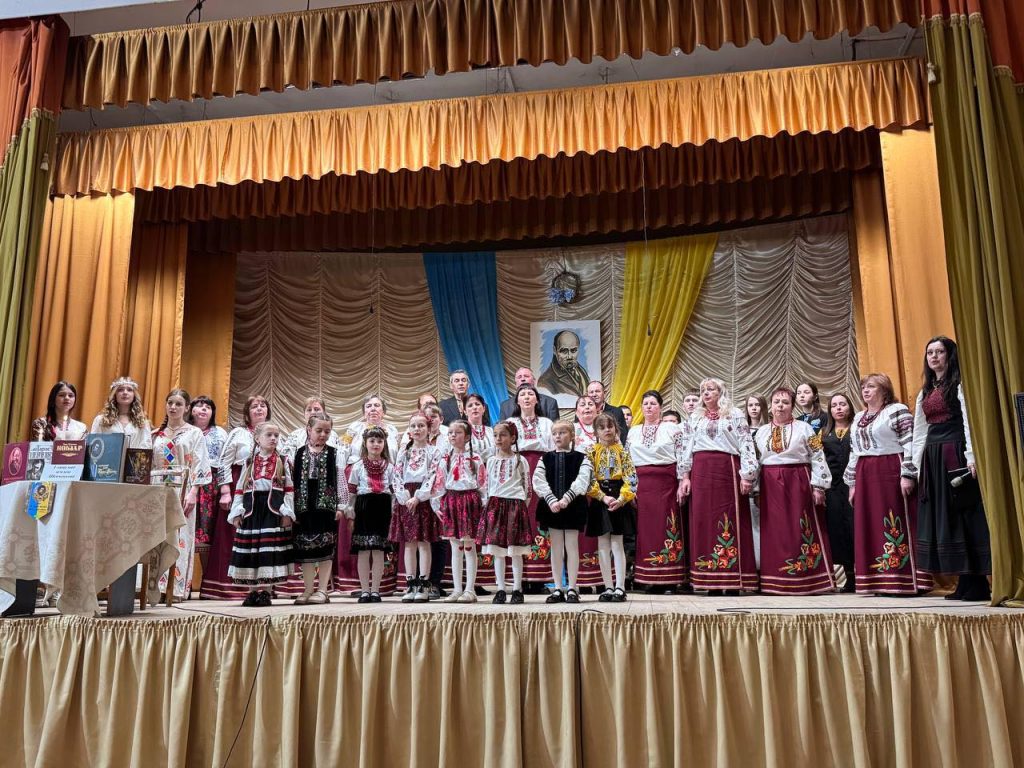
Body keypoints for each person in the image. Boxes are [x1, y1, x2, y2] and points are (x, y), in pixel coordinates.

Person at [913, 336, 990, 601]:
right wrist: (917, 466)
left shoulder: (959, 385)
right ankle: (964, 581)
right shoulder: (925, 391)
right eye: (930, 352)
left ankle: (978, 583)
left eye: (940, 352)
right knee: (946, 517)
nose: (934, 357)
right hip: (933, 458)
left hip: (955, 453)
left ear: (950, 355)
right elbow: (920, 431)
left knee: (965, 514)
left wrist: (971, 456)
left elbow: (969, 421)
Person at [845, 373, 933, 596]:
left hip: (890, 468)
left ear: (884, 390)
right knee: (871, 523)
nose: (865, 391)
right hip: (865, 473)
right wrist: (852, 482)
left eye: (871, 386)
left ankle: (905, 580)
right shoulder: (859, 417)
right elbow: (854, 450)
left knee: (894, 520)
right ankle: (878, 581)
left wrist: (908, 473)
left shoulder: (897, 411)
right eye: (863, 387)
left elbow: (910, 441)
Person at [679, 378, 759, 594]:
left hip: (727, 469)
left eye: (710, 389)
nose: (706, 393)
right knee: (704, 521)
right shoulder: (695, 417)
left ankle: (732, 579)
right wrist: (685, 476)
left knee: (730, 519)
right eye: (703, 390)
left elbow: (746, 444)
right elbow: (686, 446)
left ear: (720, 392)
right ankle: (709, 579)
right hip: (701, 471)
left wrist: (747, 475)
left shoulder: (735, 414)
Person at [753, 387, 835, 595]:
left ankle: (809, 579)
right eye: (776, 402)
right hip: (770, 484)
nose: (780, 406)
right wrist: (756, 489)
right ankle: (775, 581)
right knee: (774, 530)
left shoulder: (805, 428)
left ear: (792, 406)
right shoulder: (761, 432)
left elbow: (817, 455)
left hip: (799, 480)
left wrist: (819, 485)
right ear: (770, 406)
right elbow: (755, 462)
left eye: (785, 402)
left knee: (801, 527)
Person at [200, 394, 270, 600]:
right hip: (240, 485)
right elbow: (224, 461)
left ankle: (262, 586)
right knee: (235, 535)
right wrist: (225, 491)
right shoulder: (238, 433)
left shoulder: (273, 433)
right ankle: (231, 587)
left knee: (262, 537)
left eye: (262, 405)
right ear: (247, 413)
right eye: (254, 406)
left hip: (264, 490)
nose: (259, 409)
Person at [150, 388, 213, 601]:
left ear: (187, 408)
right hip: (157, 489)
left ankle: (175, 589)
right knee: (156, 537)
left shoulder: (193, 433)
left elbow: (200, 463)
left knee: (180, 538)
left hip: (183, 489)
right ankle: (153, 588)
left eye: (178, 404)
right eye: (170, 403)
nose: (173, 407)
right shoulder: (155, 434)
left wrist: (194, 492)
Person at [337, 395, 400, 595]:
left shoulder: (390, 459)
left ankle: (376, 590)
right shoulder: (354, 434)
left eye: (377, 406)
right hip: (363, 506)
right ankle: (364, 590)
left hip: (382, 506)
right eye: (369, 406)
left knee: (380, 550)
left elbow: (393, 490)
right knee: (363, 550)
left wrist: (393, 510)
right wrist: (350, 513)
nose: (375, 444)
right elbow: (351, 492)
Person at [227, 422, 294, 606]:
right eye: (269, 435)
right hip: (252, 510)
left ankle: (266, 591)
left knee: (268, 551)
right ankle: (252, 591)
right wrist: (237, 512)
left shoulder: (283, 460)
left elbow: (289, 489)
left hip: (272, 510)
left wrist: (287, 512)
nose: (273, 439)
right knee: (252, 551)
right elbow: (240, 488)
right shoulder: (249, 462)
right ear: (257, 439)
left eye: (276, 436)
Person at [627, 390, 687, 591]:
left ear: (660, 407)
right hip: (642, 486)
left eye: (653, 403)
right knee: (646, 530)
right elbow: (627, 462)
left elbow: (682, 455)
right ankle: (649, 578)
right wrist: (631, 488)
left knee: (668, 526)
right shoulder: (634, 431)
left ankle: (670, 577)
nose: (649, 407)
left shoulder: (671, 428)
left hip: (666, 484)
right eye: (645, 404)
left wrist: (682, 481)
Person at [533, 421, 593, 604]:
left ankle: (572, 588)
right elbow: (538, 480)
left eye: (562, 432)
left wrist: (567, 498)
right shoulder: (545, 458)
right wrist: (551, 499)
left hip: (573, 506)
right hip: (552, 507)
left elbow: (583, 480)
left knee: (572, 546)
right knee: (556, 547)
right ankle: (558, 588)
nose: (558, 436)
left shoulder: (582, 458)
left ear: (572, 435)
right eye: (555, 433)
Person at [291, 412, 345, 605]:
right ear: (309, 429)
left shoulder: (335, 453)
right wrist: (291, 508)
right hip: (303, 506)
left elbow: (340, 480)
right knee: (305, 548)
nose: (323, 435)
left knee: (325, 547)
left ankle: (322, 590)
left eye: (327, 431)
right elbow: (292, 481)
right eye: (319, 430)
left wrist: (341, 505)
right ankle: (307, 589)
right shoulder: (298, 452)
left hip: (326, 506)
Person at [505, 384, 555, 587]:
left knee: (538, 518)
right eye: (522, 394)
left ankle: (539, 578)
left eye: (530, 394)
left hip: (541, 469)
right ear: (517, 401)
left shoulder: (546, 423)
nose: (526, 397)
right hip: (517, 470)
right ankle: (518, 579)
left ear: (537, 400)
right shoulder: (510, 423)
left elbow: (552, 449)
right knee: (518, 517)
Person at [391, 413, 444, 603]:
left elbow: (433, 475)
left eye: (421, 425)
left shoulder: (434, 452)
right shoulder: (404, 452)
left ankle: (423, 583)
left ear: (429, 429)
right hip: (406, 498)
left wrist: (419, 497)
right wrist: (404, 497)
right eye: (413, 426)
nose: (417, 429)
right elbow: (396, 476)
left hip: (423, 498)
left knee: (423, 541)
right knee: (409, 543)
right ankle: (411, 583)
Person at [479, 421, 532, 604]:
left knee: (515, 551)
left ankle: (517, 589)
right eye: (495, 435)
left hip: (515, 506)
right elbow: (486, 486)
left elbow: (527, 487)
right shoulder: (491, 461)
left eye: (502, 435)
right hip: (495, 506)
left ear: (513, 438)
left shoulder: (520, 460)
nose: (498, 439)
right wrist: (488, 505)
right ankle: (500, 589)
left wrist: (521, 506)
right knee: (498, 551)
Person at [587, 413, 638, 602]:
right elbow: (588, 478)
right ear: (596, 432)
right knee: (602, 544)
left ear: (616, 428)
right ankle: (608, 586)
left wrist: (622, 498)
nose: (607, 430)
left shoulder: (623, 451)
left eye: (610, 426)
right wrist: (601, 496)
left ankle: (620, 587)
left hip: (618, 497)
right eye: (602, 427)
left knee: (617, 543)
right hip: (601, 498)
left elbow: (631, 477)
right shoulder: (591, 452)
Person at [437, 421, 486, 603]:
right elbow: (439, 483)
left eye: (457, 432)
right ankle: (457, 589)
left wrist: (484, 503)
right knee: (455, 547)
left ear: (467, 437)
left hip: (470, 501)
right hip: (451, 501)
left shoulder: (475, 459)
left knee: (469, 545)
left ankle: (470, 589)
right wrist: (437, 505)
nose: (453, 435)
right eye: (450, 432)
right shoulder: (445, 459)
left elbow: (483, 483)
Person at [187, 395, 229, 577]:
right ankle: (181, 582)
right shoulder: (185, 430)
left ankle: (207, 579)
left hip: (212, 487)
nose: (204, 409)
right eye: (199, 405)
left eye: (208, 407)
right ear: (191, 410)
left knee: (208, 534)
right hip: (188, 482)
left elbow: (225, 461)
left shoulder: (220, 433)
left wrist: (224, 488)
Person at [822, 393, 856, 592]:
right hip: (833, 489)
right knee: (838, 531)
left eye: (842, 404)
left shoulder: (858, 428)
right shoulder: (822, 433)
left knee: (855, 529)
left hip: (854, 486)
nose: (839, 408)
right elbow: (815, 457)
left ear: (849, 407)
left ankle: (865, 575)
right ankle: (849, 576)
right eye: (834, 405)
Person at [572, 395, 604, 591]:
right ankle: (583, 580)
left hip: (602, 487)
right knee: (581, 532)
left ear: (597, 409)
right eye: (582, 405)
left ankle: (602, 579)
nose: (586, 408)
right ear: (576, 412)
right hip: (579, 487)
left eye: (590, 404)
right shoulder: (572, 430)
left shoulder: (605, 428)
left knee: (601, 530)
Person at [90, 376, 153, 449]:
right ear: (115, 394)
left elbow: (146, 448)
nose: (125, 392)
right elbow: (94, 446)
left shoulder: (143, 422)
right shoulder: (101, 420)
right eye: (120, 390)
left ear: (134, 395)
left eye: (129, 390)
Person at [281, 397, 340, 462]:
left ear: (324, 412)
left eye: (317, 409)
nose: (312, 412)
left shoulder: (333, 435)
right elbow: (286, 459)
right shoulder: (295, 435)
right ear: (304, 413)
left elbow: (338, 460)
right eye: (309, 410)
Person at [538, 330, 591, 397]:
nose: (569, 356)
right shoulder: (545, 382)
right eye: (564, 351)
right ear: (554, 350)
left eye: (573, 350)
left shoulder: (581, 370)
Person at [465, 393, 495, 460]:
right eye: (470, 405)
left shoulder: (491, 431)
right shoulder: (463, 432)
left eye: (477, 404)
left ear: (484, 409)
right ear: (465, 412)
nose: (474, 407)